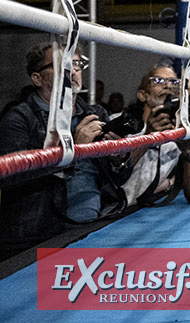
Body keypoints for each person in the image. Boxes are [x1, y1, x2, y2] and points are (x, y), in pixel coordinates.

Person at [0, 44, 117, 259]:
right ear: (37, 79)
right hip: (38, 236)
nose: (72, 71)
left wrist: (119, 154)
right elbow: (10, 177)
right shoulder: (18, 118)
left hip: (96, 227)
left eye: (76, 64)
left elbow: (117, 177)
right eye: (62, 65)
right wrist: (74, 150)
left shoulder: (94, 113)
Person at [118, 64, 190, 207]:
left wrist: (189, 150)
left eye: (174, 82)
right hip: (113, 216)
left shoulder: (177, 134)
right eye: (158, 81)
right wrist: (148, 138)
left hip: (143, 214)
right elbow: (114, 177)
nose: (167, 86)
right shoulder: (121, 125)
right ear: (142, 95)